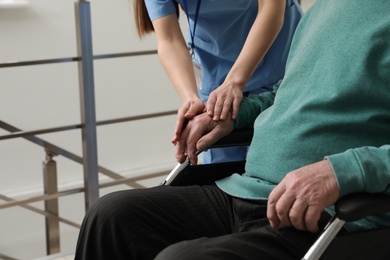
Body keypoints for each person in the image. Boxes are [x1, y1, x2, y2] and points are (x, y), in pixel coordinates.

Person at [74, 0, 390, 259]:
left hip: (325, 215)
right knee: (111, 215)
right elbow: (286, 93)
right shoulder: (328, 8)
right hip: (248, 191)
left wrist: (339, 172)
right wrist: (231, 117)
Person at [134, 0, 302, 164]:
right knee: (219, 169)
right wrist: (190, 98)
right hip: (214, 75)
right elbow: (168, 38)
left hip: (276, 63)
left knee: (270, 164)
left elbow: (271, 8)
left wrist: (235, 81)